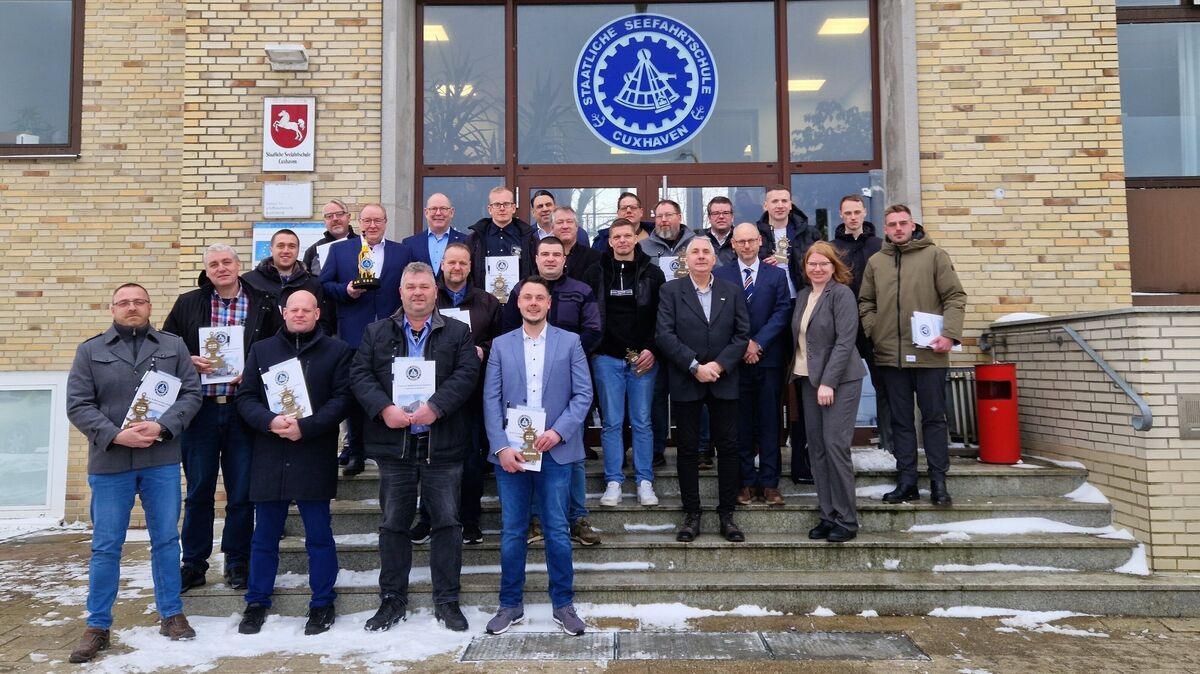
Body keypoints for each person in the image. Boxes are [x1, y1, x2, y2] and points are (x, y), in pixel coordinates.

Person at [66, 283, 203, 663]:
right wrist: (116, 435)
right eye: (124, 302)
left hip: (160, 459)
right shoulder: (90, 351)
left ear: (149, 307)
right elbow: (78, 405)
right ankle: (97, 625)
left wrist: (163, 427)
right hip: (110, 462)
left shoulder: (173, 347)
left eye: (138, 301)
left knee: (165, 540)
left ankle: (171, 614)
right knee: (106, 546)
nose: (132, 307)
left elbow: (192, 395)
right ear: (112, 308)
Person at [351, 262, 480, 633]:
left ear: (435, 291)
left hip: (442, 446)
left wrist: (436, 407)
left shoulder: (457, 332)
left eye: (424, 286)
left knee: (447, 524)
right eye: (411, 287)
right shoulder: (376, 332)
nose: (418, 292)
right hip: (395, 447)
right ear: (401, 292)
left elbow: (467, 374)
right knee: (393, 525)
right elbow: (360, 374)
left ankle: (447, 600)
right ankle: (392, 599)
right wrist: (383, 408)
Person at [164, 243, 282, 593]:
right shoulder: (189, 303)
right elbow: (167, 346)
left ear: (238, 264)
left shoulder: (262, 301)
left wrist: (252, 369)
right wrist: (189, 357)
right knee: (198, 491)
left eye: (227, 261)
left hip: (243, 412)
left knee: (242, 492)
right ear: (207, 270)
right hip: (199, 411)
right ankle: (194, 565)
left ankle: (237, 562)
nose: (221, 268)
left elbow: (279, 349)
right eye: (214, 264)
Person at [234, 290, 353, 635]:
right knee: (264, 536)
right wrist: (269, 421)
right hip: (270, 454)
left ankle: (322, 603)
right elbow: (246, 398)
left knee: (318, 535)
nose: (299, 314)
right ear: (284, 313)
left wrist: (307, 427)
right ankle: (256, 602)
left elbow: (342, 399)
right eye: (294, 309)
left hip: (312, 452)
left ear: (317, 313)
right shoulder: (262, 350)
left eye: (307, 309)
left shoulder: (337, 351)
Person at [483, 275, 592, 636]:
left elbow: (583, 395)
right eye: (526, 297)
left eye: (539, 298)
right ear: (517, 303)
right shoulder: (500, 345)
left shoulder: (571, 342)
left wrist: (558, 431)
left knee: (558, 531)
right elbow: (491, 399)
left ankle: (563, 604)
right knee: (513, 532)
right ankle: (510, 604)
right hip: (512, 455)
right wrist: (501, 447)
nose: (532, 303)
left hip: (555, 452)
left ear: (549, 304)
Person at [859, 204, 967, 507]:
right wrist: (874, 330)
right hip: (890, 356)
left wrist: (950, 334)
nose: (897, 229)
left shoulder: (934, 256)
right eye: (891, 224)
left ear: (913, 225)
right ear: (885, 228)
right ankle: (906, 479)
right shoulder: (876, 262)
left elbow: (955, 296)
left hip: (929, 354)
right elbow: (866, 301)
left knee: (934, 418)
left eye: (902, 223)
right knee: (901, 421)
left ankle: (938, 481)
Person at [501, 236, 602, 546]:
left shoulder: (581, 290)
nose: (550, 259)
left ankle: (577, 517)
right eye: (544, 254)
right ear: (536, 258)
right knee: (529, 449)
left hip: (567, 382)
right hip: (526, 387)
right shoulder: (521, 291)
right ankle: (535, 520)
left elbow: (594, 331)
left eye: (556, 254)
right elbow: (507, 330)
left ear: (564, 258)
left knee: (573, 453)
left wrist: (563, 357)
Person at [656, 237, 750, 543]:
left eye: (705, 251)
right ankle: (692, 514)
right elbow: (664, 334)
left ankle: (727, 515)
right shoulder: (671, 291)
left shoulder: (731, 291)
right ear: (686, 259)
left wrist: (719, 366)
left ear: (714, 258)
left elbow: (741, 334)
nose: (700, 256)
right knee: (687, 450)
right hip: (687, 379)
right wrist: (695, 366)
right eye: (694, 251)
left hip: (724, 380)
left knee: (729, 448)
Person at [409, 242, 504, 546]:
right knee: (430, 456)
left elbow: (501, 341)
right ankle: (427, 518)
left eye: (462, 263)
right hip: (432, 393)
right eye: (451, 263)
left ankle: (470, 520)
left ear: (470, 266)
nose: (457, 268)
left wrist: (483, 350)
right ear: (443, 265)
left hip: (474, 391)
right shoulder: (429, 298)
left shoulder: (487, 301)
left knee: (471, 459)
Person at [319, 202, 413, 476]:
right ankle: (356, 453)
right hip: (353, 334)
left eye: (378, 221)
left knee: (389, 392)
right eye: (367, 221)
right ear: (359, 223)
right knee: (355, 395)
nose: (372, 226)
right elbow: (323, 285)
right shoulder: (340, 250)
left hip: (392, 333)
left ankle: (388, 452)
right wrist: (346, 291)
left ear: (385, 222)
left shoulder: (401, 252)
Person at [583, 218, 666, 508]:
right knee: (611, 423)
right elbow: (589, 314)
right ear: (609, 241)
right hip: (607, 358)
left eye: (626, 236)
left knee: (642, 421)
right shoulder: (595, 273)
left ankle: (644, 480)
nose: (622, 241)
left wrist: (652, 349)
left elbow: (662, 318)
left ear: (636, 238)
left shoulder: (653, 274)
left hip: (643, 359)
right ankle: (614, 481)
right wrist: (593, 349)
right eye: (616, 236)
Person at [791, 242, 866, 543]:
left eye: (824, 264)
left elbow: (845, 341)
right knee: (818, 449)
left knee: (835, 447)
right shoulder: (804, 296)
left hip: (840, 381)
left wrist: (828, 382)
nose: (818, 268)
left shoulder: (842, 295)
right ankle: (828, 515)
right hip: (808, 381)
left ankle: (847, 520)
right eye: (812, 264)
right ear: (805, 268)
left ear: (834, 266)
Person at [714, 223, 791, 506]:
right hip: (735, 362)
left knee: (770, 422)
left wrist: (757, 343)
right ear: (733, 244)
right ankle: (745, 483)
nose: (746, 246)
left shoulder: (776, 275)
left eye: (751, 241)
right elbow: (721, 315)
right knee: (741, 424)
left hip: (768, 359)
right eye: (741, 242)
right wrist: (743, 345)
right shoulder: (721, 275)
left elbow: (783, 311)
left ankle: (770, 484)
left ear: (760, 241)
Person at [756, 185, 823, 485]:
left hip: (802, 310)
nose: (780, 205)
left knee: (800, 389)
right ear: (765, 204)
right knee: (769, 390)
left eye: (785, 200)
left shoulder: (809, 233)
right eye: (775, 201)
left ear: (791, 203)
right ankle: (765, 454)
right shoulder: (756, 235)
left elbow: (822, 269)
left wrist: (790, 263)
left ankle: (802, 460)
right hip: (768, 316)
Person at [641, 199, 698, 469]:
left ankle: (700, 448)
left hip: (692, 333)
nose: (664, 220)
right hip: (656, 331)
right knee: (655, 395)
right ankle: (656, 449)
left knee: (695, 393)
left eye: (669, 215)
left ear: (679, 217)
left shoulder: (697, 243)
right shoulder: (643, 248)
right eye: (659, 216)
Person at [831, 193, 889, 452]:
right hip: (842, 326)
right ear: (841, 215)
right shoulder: (833, 248)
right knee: (839, 381)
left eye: (857, 212)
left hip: (874, 325)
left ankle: (888, 441)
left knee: (884, 384)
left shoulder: (880, 245)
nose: (853, 217)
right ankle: (839, 442)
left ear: (864, 213)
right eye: (848, 213)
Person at [243, 228, 331, 334]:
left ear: (298, 250)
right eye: (280, 246)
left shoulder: (312, 284)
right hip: (259, 348)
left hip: (301, 348)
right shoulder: (249, 281)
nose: (286, 251)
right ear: (271, 249)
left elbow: (323, 324)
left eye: (292, 246)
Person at [465, 185, 536, 291]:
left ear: (513, 208)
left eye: (506, 204)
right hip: (484, 302)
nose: (502, 208)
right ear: (490, 209)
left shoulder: (528, 238)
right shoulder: (475, 240)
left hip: (519, 300)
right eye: (497, 204)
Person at [403, 192, 467, 275]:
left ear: (451, 212)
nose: (438, 213)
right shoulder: (410, 244)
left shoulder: (465, 241)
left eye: (443, 208)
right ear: (426, 212)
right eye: (433, 209)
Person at [303, 199, 358, 275]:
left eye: (339, 214)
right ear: (324, 222)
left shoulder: (364, 244)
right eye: (329, 216)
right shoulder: (313, 251)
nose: (335, 219)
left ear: (348, 217)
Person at [553, 206, 601, 282]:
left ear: (577, 227)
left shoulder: (595, 257)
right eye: (560, 222)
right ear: (552, 228)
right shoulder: (545, 258)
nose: (565, 226)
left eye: (569, 221)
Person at [703, 196, 737, 267]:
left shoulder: (741, 239)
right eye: (716, 213)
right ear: (709, 218)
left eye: (726, 213)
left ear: (732, 217)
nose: (721, 216)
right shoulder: (700, 239)